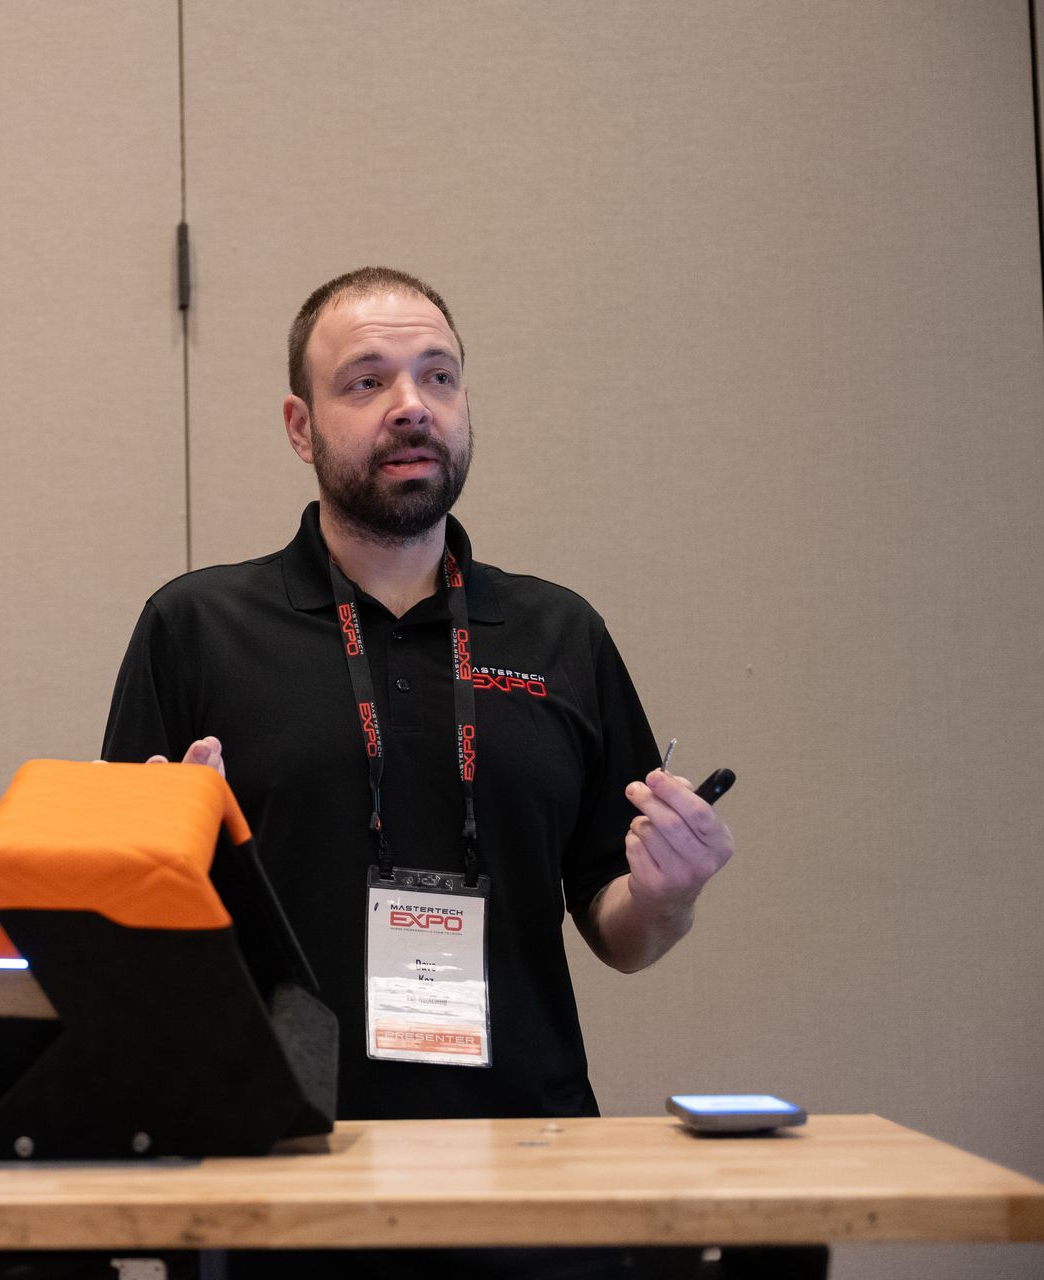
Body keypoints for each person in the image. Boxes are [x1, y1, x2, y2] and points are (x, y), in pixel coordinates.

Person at [101, 267, 735, 1279]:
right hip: (277, 1175)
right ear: (301, 427)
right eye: (367, 381)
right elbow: (115, 936)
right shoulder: (196, 629)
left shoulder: (559, 632)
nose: (411, 405)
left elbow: (618, 928)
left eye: (439, 376)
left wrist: (669, 893)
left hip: (528, 1173)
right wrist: (179, 864)